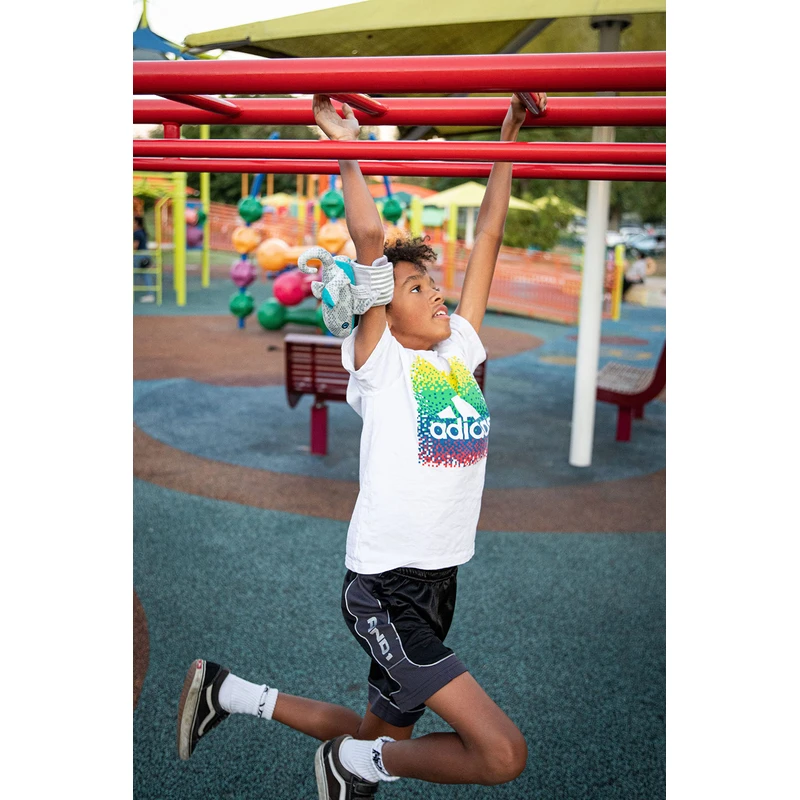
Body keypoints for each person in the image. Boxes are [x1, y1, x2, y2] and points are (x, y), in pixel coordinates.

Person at [176, 90, 546, 798]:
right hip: (383, 588)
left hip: (440, 583)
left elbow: (490, 237)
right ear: (384, 309)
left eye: (432, 283)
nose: (435, 295)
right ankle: (350, 766)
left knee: (382, 739)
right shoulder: (381, 363)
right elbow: (369, 238)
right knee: (501, 754)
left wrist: (509, 133)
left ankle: (228, 692)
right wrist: (345, 143)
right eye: (415, 288)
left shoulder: (461, 348)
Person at [133, 215, 155, 303]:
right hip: (145, 254)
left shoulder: (137, 233)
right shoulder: (142, 231)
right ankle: (150, 294)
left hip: (140, 255)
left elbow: (135, 246)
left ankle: (150, 294)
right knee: (145, 274)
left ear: (137, 223)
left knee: (142, 274)